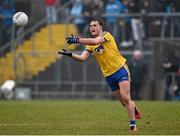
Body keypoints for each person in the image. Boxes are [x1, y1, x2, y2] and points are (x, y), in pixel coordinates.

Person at [58, 18, 141, 131]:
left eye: (94, 25)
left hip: (120, 69)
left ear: (100, 27)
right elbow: (82, 58)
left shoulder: (106, 35)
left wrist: (77, 40)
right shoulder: (90, 44)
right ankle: (133, 106)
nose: (92, 27)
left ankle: (132, 125)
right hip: (109, 76)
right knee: (123, 102)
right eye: (91, 26)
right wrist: (70, 54)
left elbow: (96, 42)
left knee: (126, 97)